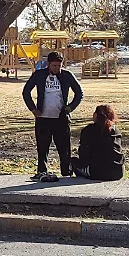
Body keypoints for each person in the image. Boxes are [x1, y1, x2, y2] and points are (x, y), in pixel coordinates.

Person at [22, 51, 83, 182]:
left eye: (59, 65)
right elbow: (26, 92)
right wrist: (33, 109)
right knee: (42, 147)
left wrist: (70, 107)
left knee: (64, 147)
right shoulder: (39, 75)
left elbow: (79, 93)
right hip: (43, 118)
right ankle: (42, 171)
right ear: (48, 64)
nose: (57, 68)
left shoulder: (67, 75)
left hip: (61, 119)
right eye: (54, 65)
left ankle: (66, 172)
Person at [71, 105, 125, 181]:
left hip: (96, 171)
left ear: (96, 115)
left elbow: (83, 153)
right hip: (118, 172)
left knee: (73, 161)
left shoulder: (88, 130)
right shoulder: (116, 131)